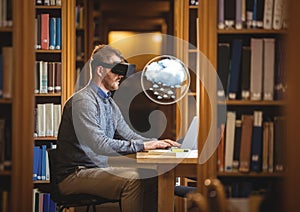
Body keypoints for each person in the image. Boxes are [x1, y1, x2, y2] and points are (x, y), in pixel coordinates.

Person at [54, 44, 180, 212]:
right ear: (100, 70)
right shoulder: (83, 101)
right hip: (75, 175)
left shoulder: (108, 102)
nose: (121, 75)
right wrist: (143, 146)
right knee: (133, 180)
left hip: (96, 171)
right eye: (117, 70)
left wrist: (158, 143)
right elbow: (99, 144)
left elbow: (127, 135)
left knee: (153, 179)